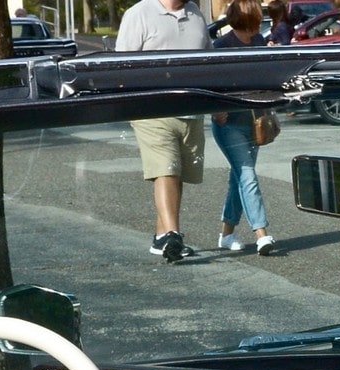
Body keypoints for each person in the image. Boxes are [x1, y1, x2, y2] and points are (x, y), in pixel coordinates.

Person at [116, 0, 210, 262]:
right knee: (166, 169)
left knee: (176, 174)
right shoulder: (139, 14)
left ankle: (162, 239)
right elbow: (120, 65)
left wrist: (218, 104)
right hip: (152, 109)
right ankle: (172, 234)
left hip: (191, 109)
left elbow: (208, 62)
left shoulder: (196, 14)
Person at [210, 0, 277, 256]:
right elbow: (208, 82)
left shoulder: (259, 41)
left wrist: (270, 111)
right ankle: (262, 233)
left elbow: (264, 81)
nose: (259, 26)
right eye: (256, 21)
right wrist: (215, 108)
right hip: (228, 122)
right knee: (247, 175)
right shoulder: (221, 47)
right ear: (245, 22)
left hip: (254, 120)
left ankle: (226, 234)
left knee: (238, 177)